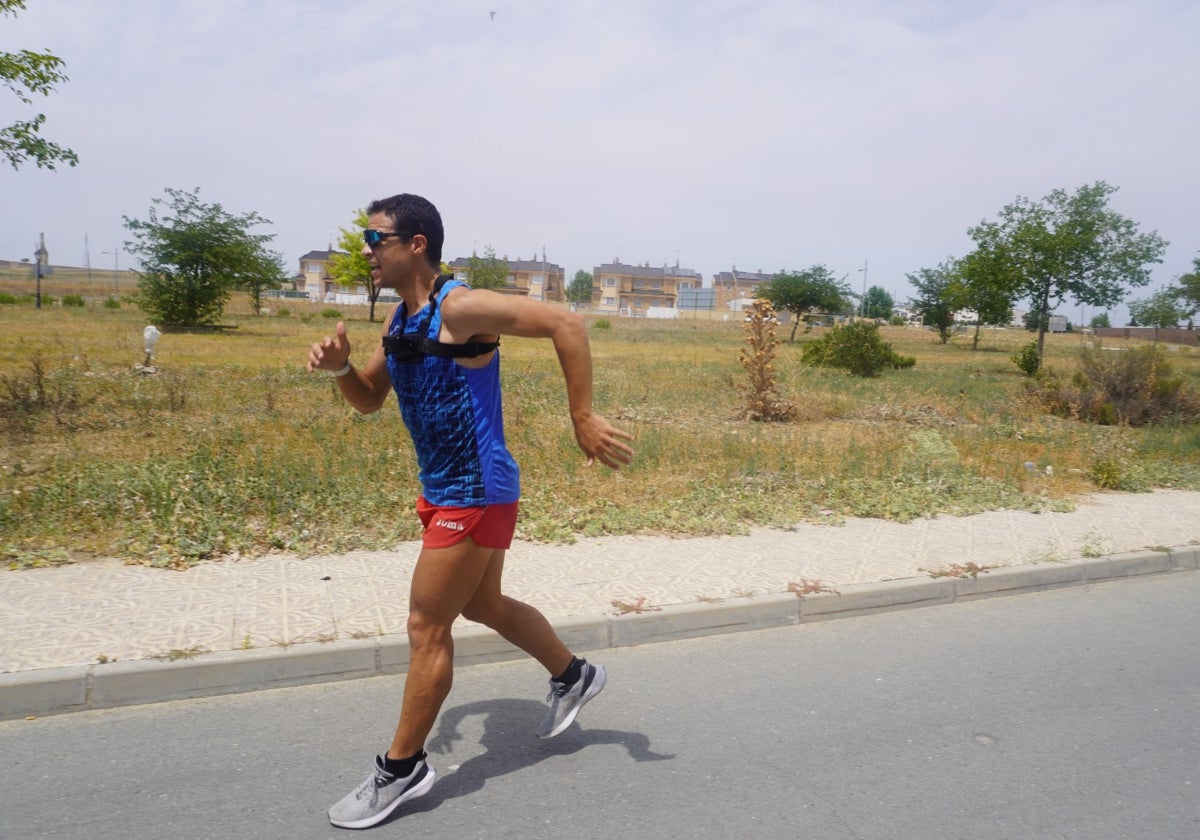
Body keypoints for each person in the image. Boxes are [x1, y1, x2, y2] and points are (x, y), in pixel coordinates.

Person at [307, 193, 635, 830]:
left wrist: (582, 415)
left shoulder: (459, 307)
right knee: (482, 604)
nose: (366, 251)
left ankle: (401, 769)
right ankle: (574, 675)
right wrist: (343, 368)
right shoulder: (400, 323)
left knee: (427, 624)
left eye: (376, 240)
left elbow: (566, 323)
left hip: (475, 488)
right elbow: (371, 399)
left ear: (416, 244)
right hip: (448, 487)